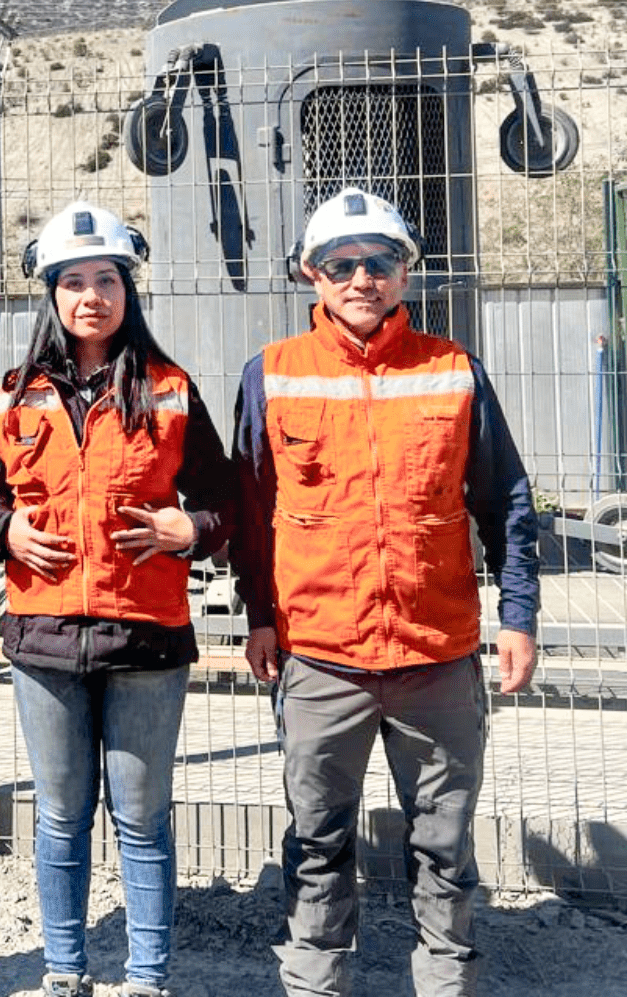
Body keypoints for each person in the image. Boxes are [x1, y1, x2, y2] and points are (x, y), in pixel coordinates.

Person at [229, 187, 541, 997]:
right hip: (320, 654)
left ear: (406, 273)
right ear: (312, 275)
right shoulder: (272, 375)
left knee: (443, 842)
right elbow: (250, 512)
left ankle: (445, 982)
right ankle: (316, 981)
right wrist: (259, 617)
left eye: (379, 262)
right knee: (318, 839)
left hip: (435, 654)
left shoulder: (453, 372)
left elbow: (504, 499)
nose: (361, 278)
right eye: (341, 265)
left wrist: (518, 616)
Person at [0, 202, 236, 997]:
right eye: (75, 282)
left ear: (129, 289)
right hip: (44, 637)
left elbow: (223, 499)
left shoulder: (170, 390)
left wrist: (189, 527)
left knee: (142, 819)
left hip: (145, 639)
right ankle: (65, 972)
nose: (92, 296)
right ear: (51, 293)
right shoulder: (14, 396)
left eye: (107, 280)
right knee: (60, 817)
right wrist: (6, 531)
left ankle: (147, 977)